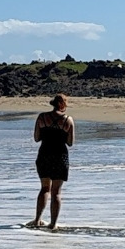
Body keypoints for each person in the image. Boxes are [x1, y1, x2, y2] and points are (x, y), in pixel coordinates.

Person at [28, 94, 74, 230]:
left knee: (44, 189)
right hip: (60, 156)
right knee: (56, 192)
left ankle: (37, 220)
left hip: (44, 154)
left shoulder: (42, 117)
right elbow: (70, 142)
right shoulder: (68, 120)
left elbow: (36, 138)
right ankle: (53, 224)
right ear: (62, 104)